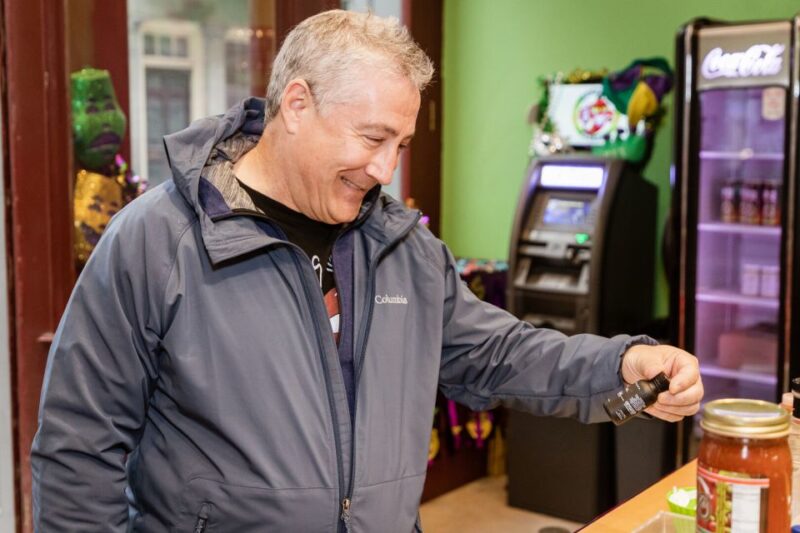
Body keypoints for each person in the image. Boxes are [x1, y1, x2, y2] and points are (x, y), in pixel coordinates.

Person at [31, 10, 702, 533]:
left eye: (401, 144)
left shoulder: (402, 247)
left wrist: (620, 365)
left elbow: (499, 353)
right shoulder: (156, 241)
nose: (386, 169)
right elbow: (78, 448)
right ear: (297, 105)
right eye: (373, 138)